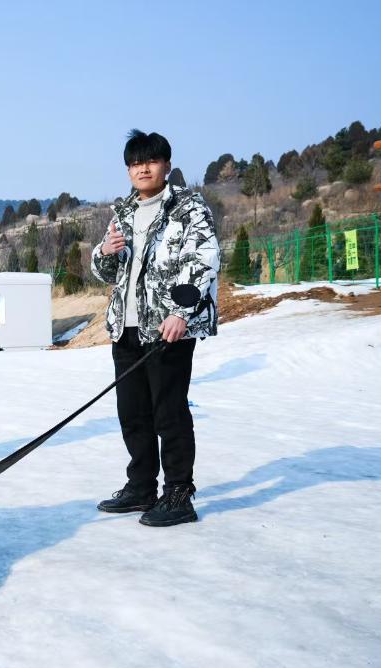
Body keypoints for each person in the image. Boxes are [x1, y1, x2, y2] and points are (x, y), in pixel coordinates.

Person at [90, 129, 219, 527]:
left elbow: (204, 259)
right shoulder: (124, 212)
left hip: (167, 329)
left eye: (150, 161)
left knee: (169, 412)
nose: (142, 169)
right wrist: (104, 252)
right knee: (132, 413)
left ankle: (178, 494)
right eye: (134, 163)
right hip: (126, 326)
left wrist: (182, 312)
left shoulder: (188, 208)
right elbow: (105, 272)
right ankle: (141, 486)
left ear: (166, 165)